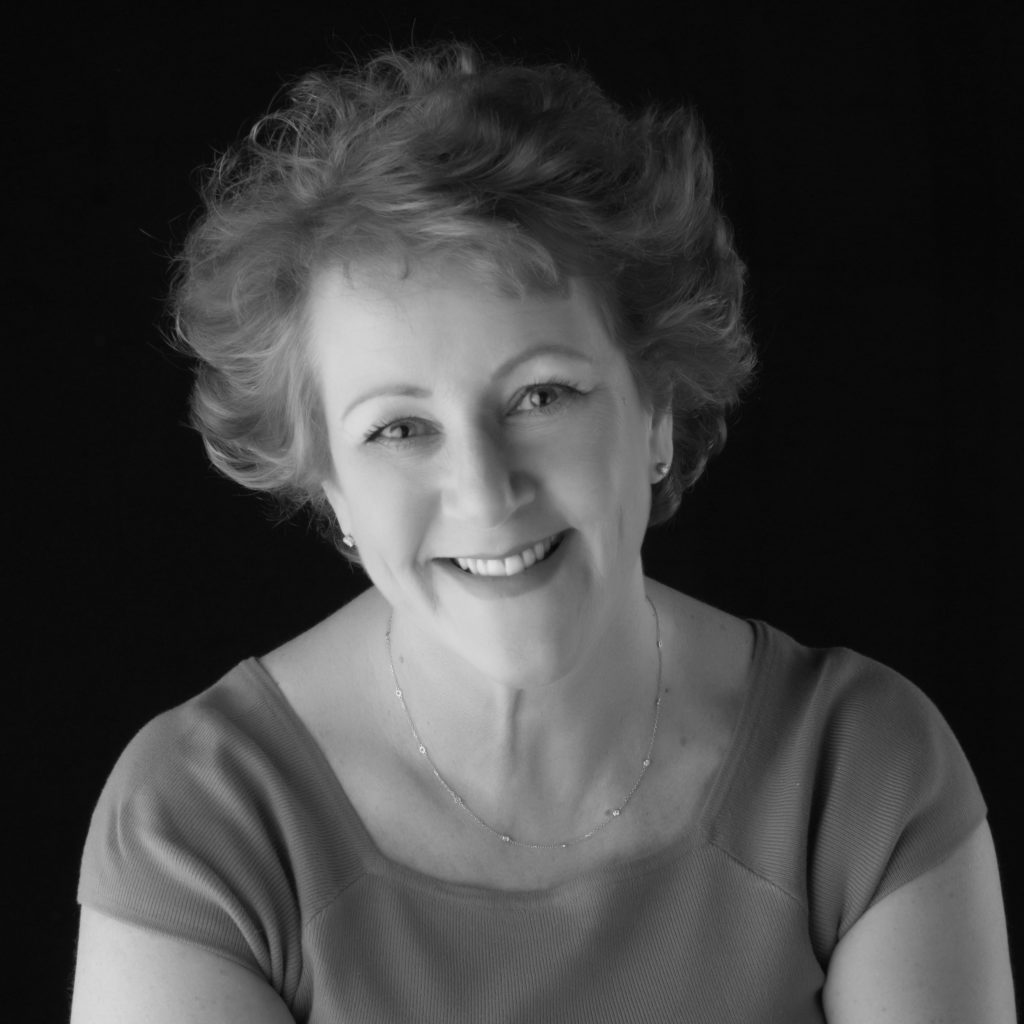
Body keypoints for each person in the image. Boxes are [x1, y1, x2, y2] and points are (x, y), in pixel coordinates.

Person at [70, 44, 1015, 1023]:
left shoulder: (855, 771)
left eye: (541, 395)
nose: (484, 491)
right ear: (330, 486)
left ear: (655, 411)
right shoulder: (204, 819)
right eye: (398, 428)